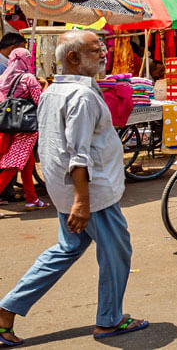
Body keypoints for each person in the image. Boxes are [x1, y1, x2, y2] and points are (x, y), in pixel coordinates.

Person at [0, 32, 148, 345]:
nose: (104, 54)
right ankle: (109, 321)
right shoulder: (79, 97)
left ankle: (6, 310)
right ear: (74, 58)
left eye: (102, 48)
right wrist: (82, 202)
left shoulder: (54, 90)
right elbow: (77, 154)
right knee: (117, 252)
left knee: (67, 249)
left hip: (66, 190)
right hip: (91, 194)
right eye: (96, 50)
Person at [0, 48, 47, 212]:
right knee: (13, 165)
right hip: (26, 128)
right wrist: (46, 85)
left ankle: (32, 198)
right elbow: (41, 102)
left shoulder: (3, 78)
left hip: (8, 126)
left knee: (28, 163)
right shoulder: (28, 78)